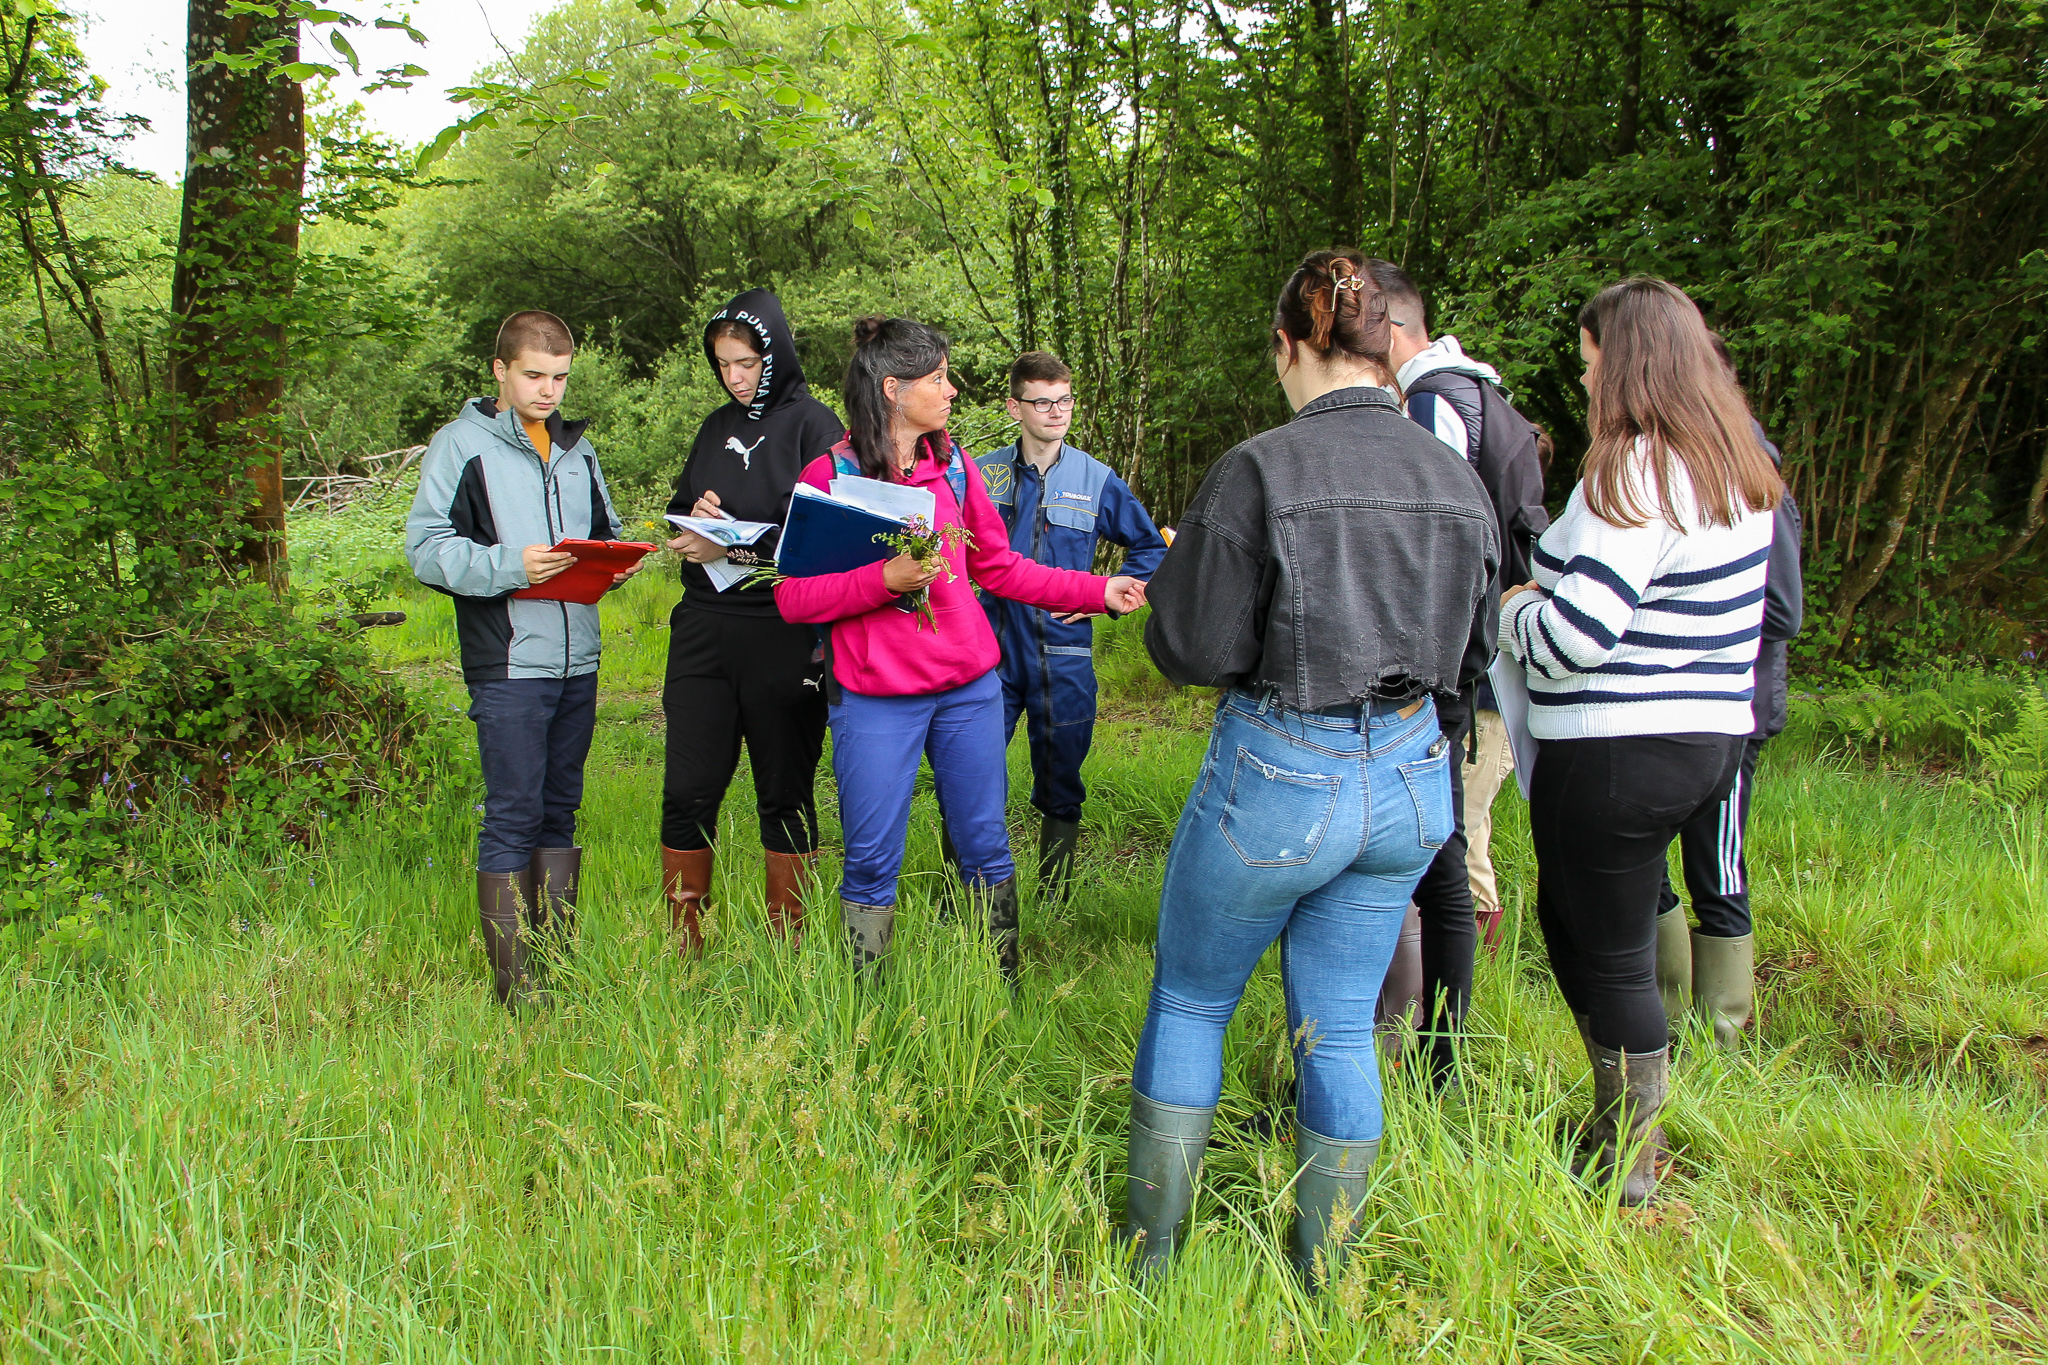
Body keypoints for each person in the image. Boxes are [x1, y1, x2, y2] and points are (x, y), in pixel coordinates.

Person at [1121, 251, 1498, 1287]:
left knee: (1192, 1001)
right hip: (1412, 777)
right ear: (1389, 354)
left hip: (1283, 769)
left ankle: (1148, 1264)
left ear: (1289, 346)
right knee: (1337, 1023)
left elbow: (1189, 646)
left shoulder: (1258, 468)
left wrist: (1170, 589)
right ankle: (1323, 1276)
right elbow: (1473, 657)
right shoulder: (1455, 476)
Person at [1497, 277, 1782, 1205]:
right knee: (1580, 926)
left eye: (1588, 365)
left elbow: (1580, 631)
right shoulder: (1735, 463)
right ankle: (1617, 1123)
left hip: (1619, 743)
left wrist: (1511, 616)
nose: (1583, 384)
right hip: (1707, 741)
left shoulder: (1636, 466)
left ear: (1625, 364)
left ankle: (1629, 1164)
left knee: (1606, 949)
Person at [770, 318, 1147, 984]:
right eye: (938, 378)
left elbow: (1001, 567)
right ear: (893, 388)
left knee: (986, 846)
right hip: (875, 699)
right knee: (870, 859)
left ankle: (1000, 990)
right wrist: (883, 581)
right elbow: (794, 600)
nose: (951, 390)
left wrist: (1098, 590)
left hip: (970, 690)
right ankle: (869, 1007)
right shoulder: (830, 475)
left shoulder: (956, 468)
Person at [404, 310, 640, 1011]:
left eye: (560, 376)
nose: (548, 391)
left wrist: (614, 563)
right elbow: (425, 548)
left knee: (561, 810)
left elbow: (605, 529)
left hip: (579, 657)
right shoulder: (460, 445)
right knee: (512, 812)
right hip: (507, 661)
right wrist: (513, 565)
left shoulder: (577, 446)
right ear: (500, 370)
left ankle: (557, 961)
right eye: (534, 375)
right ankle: (516, 985)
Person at [1368, 260, 1549, 1086]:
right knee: (1438, 853)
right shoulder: (1486, 398)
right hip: (1472, 661)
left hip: (1445, 672)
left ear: (1393, 331)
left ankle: (1427, 1055)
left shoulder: (1438, 399)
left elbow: (1434, 530)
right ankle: (1430, 1047)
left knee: (1435, 859)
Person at [659, 290, 845, 953]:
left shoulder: (816, 427)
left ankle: (787, 949)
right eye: (722, 365)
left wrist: (734, 545)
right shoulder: (714, 427)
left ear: (776, 354)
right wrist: (694, 518)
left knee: (784, 790)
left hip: (783, 630)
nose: (735, 377)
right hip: (705, 626)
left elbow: (826, 540)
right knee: (687, 785)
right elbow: (682, 510)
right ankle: (683, 946)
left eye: (746, 362)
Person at [971, 352, 1168, 903]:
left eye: (1064, 400)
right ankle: (962, 890)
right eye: (1041, 401)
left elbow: (1151, 548)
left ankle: (1054, 896)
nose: (1055, 412)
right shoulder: (978, 475)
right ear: (1015, 407)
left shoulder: (1096, 479)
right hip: (988, 648)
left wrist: (1101, 599)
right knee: (973, 771)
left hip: (1064, 653)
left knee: (1062, 776)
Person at [1653, 333, 1805, 1047]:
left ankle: (1724, 1037)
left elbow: (1782, 609)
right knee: (1646, 864)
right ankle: (1666, 1017)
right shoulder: (1671, 465)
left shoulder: (1753, 470)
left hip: (1732, 711)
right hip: (1659, 708)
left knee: (1716, 867)